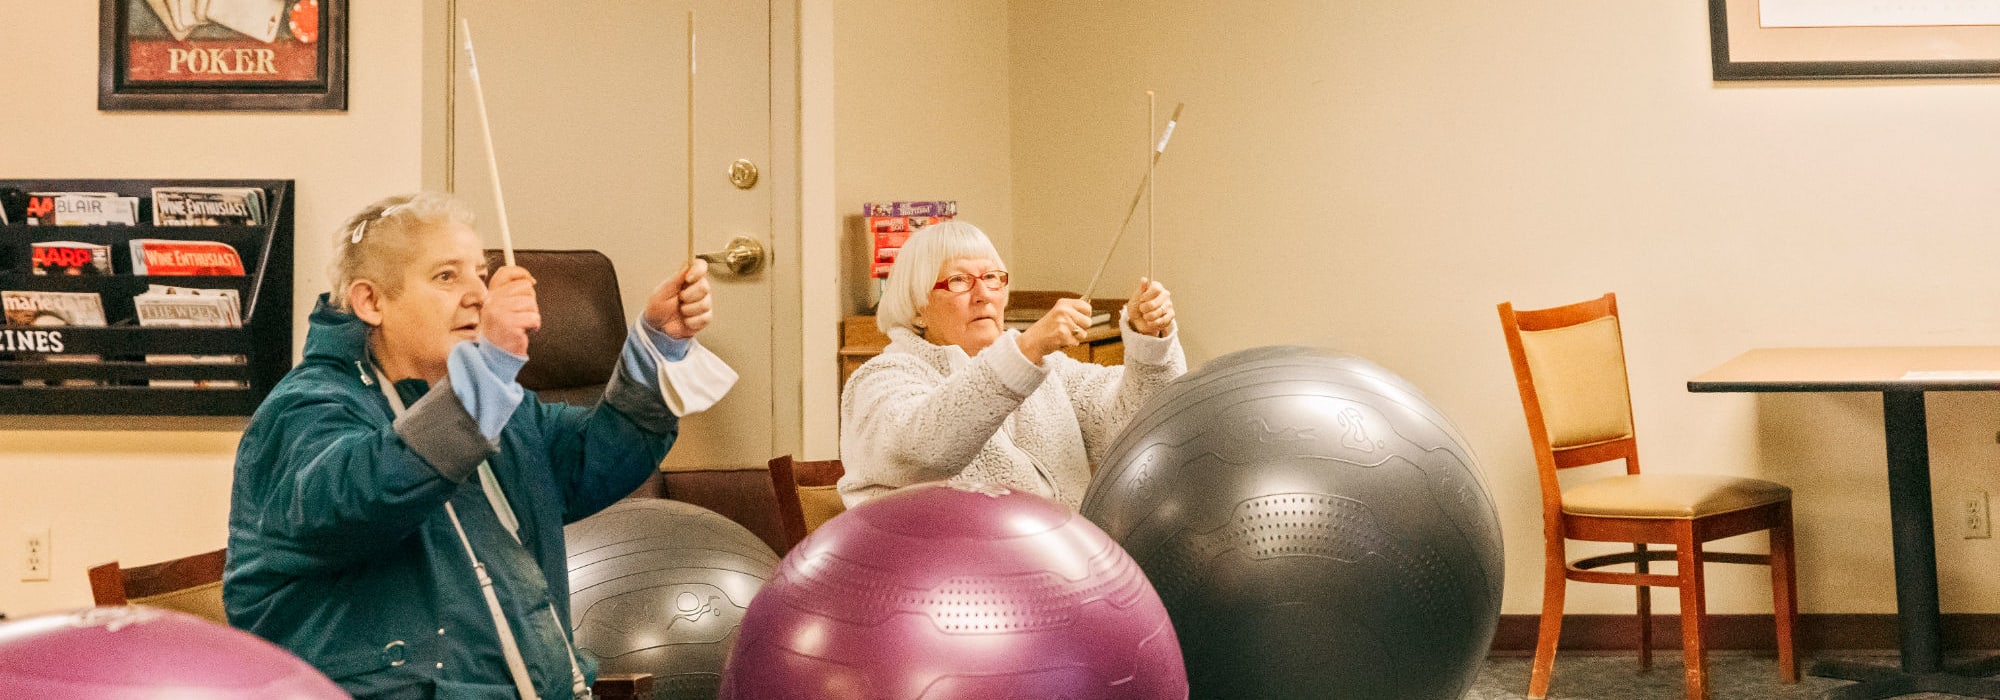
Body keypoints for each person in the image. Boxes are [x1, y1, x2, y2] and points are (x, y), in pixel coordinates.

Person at [223, 193, 736, 699]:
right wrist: (488, 371)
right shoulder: (304, 410)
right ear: (371, 301)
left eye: (481, 274)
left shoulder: (498, 405)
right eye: (446, 276)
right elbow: (366, 494)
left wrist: (658, 341)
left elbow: (591, 460)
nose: (478, 295)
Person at [839, 221, 1186, 509]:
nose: (983, 294)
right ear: (917, 307)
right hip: (952, 587)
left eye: (993, 278)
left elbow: (1135, 424)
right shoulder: (881, 380)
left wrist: (1148, 342)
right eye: (959, 281)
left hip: (1067, 569)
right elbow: (924, 451)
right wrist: (1027, 348)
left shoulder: (1048, 371)